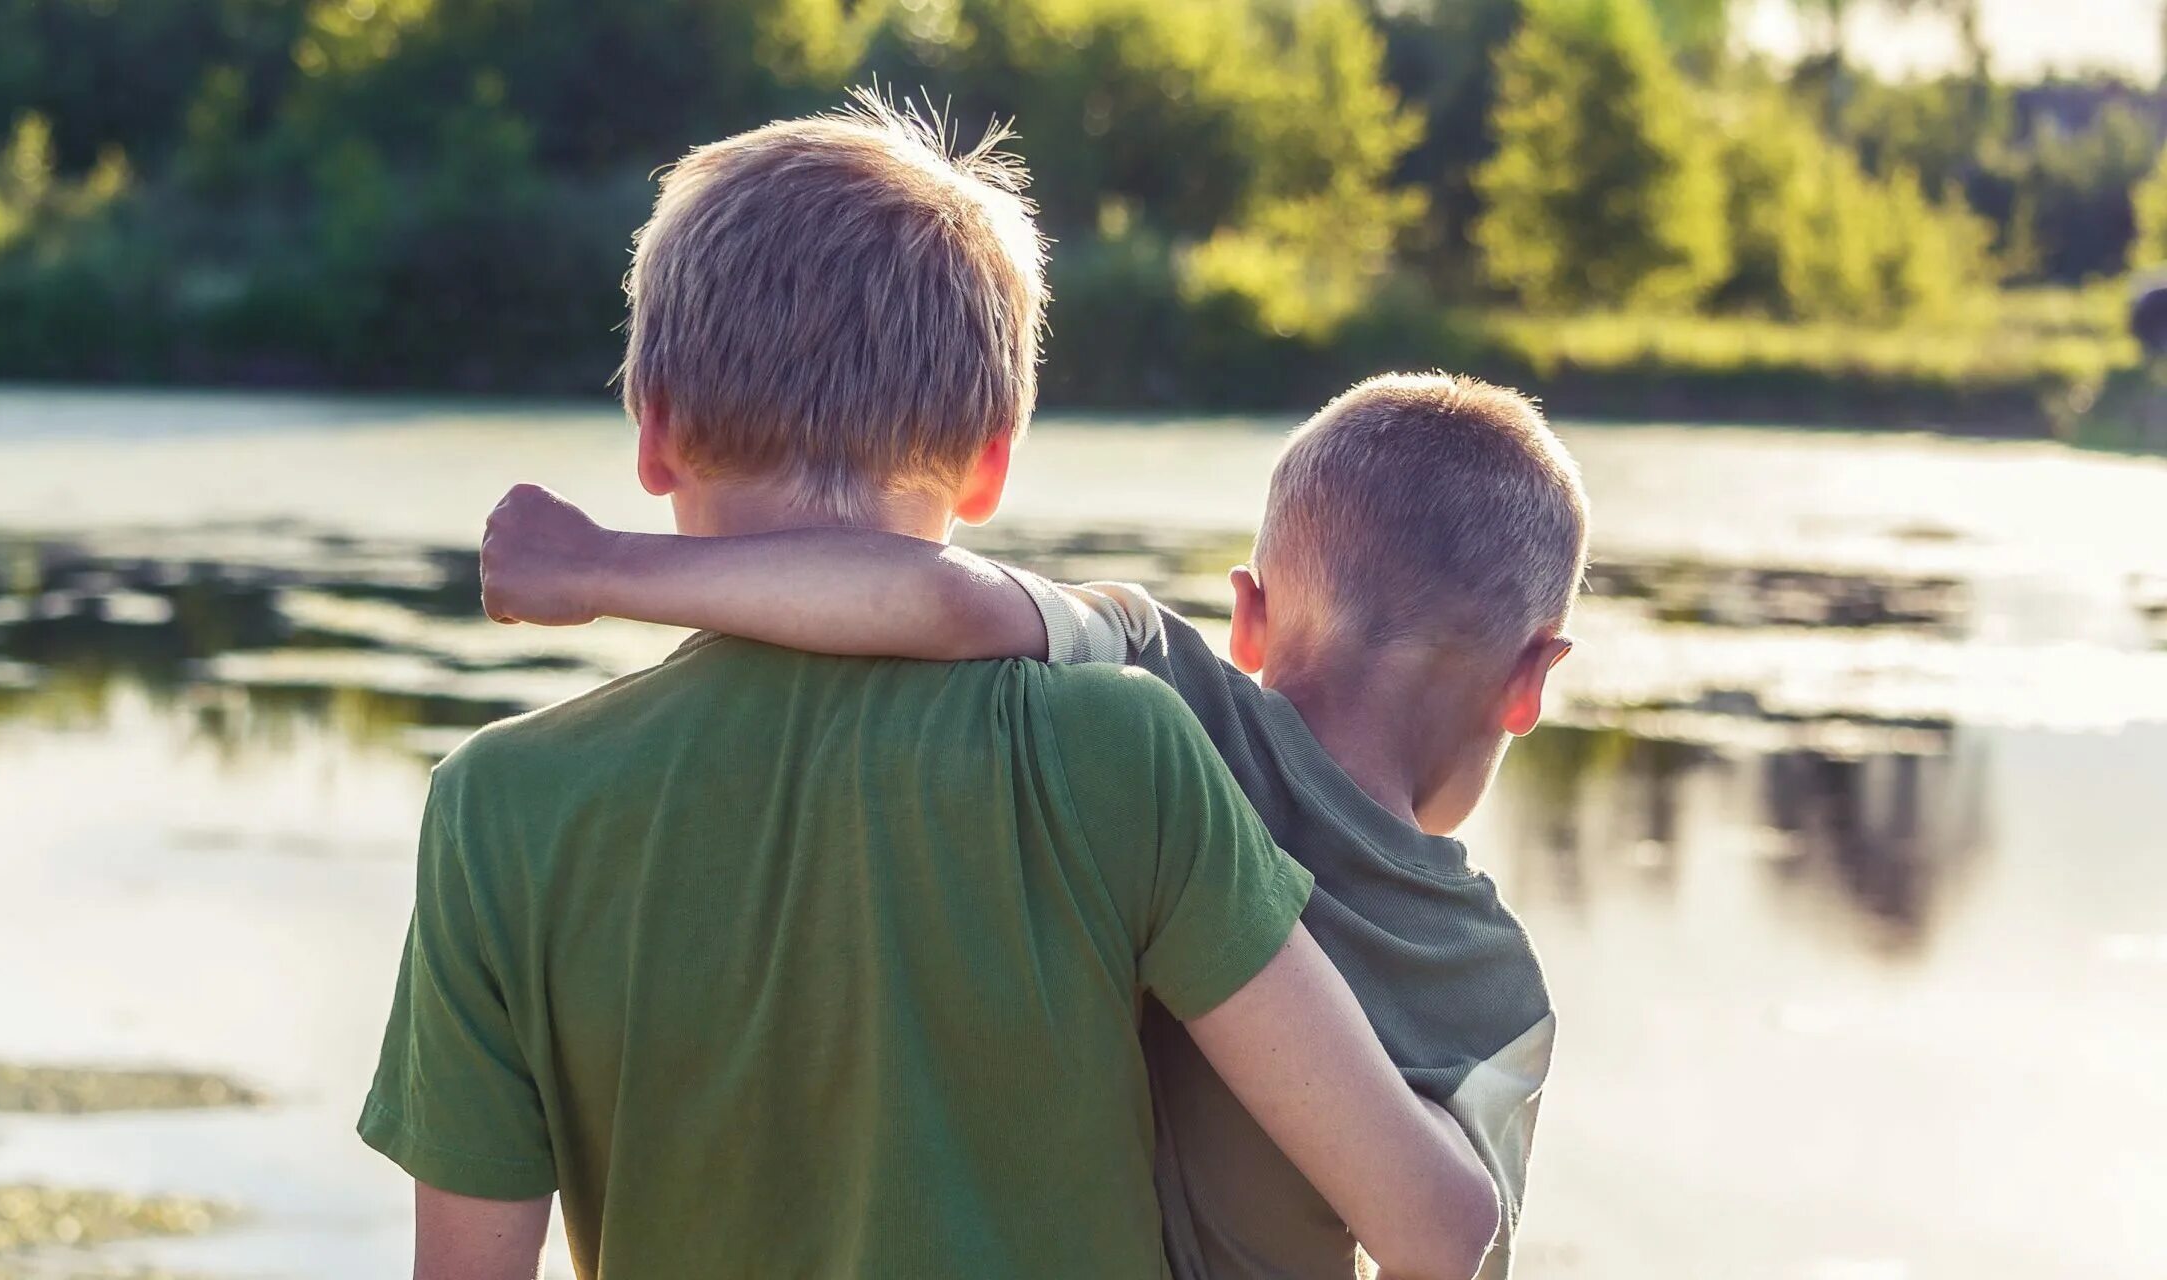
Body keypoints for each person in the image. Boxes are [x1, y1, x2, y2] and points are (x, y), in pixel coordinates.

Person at [360, 97, 1497, 1280]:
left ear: (653, 432)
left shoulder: (499, 806)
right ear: (995, 456)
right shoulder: (1121, 750)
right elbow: (1437, 1230)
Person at [479, 372, 1582, 1280]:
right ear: (1530, 678)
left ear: (1249, 615)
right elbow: (1453, 1250)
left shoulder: (1166, 683)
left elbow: (941, 598)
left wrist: (603, 567)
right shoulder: (1493, 987)